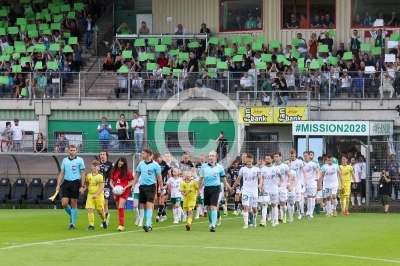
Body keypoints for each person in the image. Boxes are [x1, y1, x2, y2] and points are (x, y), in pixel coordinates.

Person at [132, 148, 163, 232]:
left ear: (149, 154)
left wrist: (161, 187)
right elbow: (137, 175)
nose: (142, 155)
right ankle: (149, 223)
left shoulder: (155, 165)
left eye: (143, 153)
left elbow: (159, 177)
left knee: (149, 205)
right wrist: (133, 185)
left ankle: (148, 224)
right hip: (142, 187)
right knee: (144, 206)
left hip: (151, 187)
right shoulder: (141, 164)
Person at [56, 144, 86, 230]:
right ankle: (73, 216)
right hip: (66, 182)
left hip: (76, 182)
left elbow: (83, 173)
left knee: (73, 202)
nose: (72, 152)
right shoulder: (65, 160)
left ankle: (72, 223)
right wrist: (58, 184)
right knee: (64, 203)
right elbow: (62, 173)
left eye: (74, 150)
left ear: (76, 151)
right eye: (71, 150)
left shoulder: (80, 160)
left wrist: (82, 186)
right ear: (68, 151)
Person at [198, 150, 229, 232]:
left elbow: (224, 179)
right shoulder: (204, 166)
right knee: (208, 207)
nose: (210, 157)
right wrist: (198, 189)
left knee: (213, 206)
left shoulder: (220, 167)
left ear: (216, 157)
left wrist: (226, 189)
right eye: (210, 156)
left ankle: (213, 225)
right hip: (207, 188)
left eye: (212, 156)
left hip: (216, 188)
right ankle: (212, 222)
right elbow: (201, 178)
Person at [231, 154, 262, 229]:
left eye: (250, 161)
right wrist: (232, 188)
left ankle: (254, 219)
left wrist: (260, 184)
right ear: (246, 161)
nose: (249, 162)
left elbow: (260, 178)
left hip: (254, 191)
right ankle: (245, 224)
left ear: (252, 161)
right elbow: (238, 179)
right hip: (245, 190)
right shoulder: (242, 169)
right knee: (246, 207)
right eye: (247, 161)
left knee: (254, 208)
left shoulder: (257, 169)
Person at [110, 157, 134, 231]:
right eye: (119, 164)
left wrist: (126, 187)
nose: (119, 165)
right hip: (116, 191)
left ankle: (121, 225)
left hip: (124, 191)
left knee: (121, 207)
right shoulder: (114, 171)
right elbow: (111, 181)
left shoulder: (127, 172)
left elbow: (132, 181)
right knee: (119, 208)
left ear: (124, 164)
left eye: (121, 164)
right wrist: (113, 188)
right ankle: (120, 223)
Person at [259, 154, 282, 227]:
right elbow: (261, 179)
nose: (267, 160)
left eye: (268, 159)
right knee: (265, 204)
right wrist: (261, 187)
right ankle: (263, 221)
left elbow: (281, 177)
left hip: (274, 189)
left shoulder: (276, 168)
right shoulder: (263, 169)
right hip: (266, 189)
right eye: (266, 159)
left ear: (272, 159)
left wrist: (280, 183)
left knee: (273, 205)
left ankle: (274, 220)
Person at [83, 160, 107, 230]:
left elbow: (102, 187)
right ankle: (91, 225)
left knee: (100, 211)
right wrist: (83, 189)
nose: (94, 167)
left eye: (96, 166)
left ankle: (104, 220)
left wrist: (97, 194)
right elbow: (87, 184)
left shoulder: (101, 176)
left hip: (99, 195)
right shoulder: (88, 175)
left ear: (98, 167)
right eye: (93, 166)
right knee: (90, 209)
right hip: (90, 195)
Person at [274, 152, 291, 223]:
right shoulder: (272, 166)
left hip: (283, 187)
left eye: (277, 156)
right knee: (274, 203)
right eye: (274, 156)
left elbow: (289, 175)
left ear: (280, 157)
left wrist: (289, 183)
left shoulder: (285, 166)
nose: (276, 158)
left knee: (283, 203)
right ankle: (276, 218)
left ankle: (284, 215)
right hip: (275, 187)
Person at [153, 152, 171, 222]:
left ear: (160, 157)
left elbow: (169, 175)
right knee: (160, 201)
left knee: (162, 199)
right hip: (157, 184)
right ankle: (164, 215)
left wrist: (169, 185)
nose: (158, 161)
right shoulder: (154, 164)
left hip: (164, 184)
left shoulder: (166, 164)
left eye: (158, 159)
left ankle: (158, 215)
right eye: (156, 160)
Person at [289, 149, 307, 219]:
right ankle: (291, 216)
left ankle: (298, 211)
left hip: (298, 182)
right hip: (290, 183)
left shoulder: (299, 162)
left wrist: (305, 180)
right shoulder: (288, 162)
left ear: (295, 154)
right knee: (291, 200)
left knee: (297, 200)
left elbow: (304, 171)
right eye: (291, 154)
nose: (292, 156)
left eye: (293, 154)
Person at [303, 151, 320, 218]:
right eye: (304, 156)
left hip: (312, 182)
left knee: (311, 197)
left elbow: (318, 171)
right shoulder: (302, 163)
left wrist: (317, 177)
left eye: (306, 155)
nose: (305, 157)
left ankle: (310, 212)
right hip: (304, 182)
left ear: (309, 156)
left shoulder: (313, 164)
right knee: (304, 198)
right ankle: (303, 211)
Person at [99, 150, 113, 228]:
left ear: (106, 155)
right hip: (99, 185)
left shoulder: (110, 164)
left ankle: (105, 219)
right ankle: (105, 217)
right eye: (101, 154)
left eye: (103, 154)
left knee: (105, 202)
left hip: (106, 185)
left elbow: (112, 175)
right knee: (100, 204)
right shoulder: (98, 164)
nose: (102, 156)